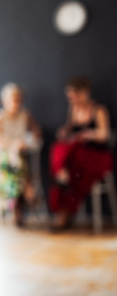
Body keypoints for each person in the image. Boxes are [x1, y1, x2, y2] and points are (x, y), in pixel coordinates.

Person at [48, 76, 113, 231]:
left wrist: (85, 135)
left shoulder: (99, 110)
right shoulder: (73, 109)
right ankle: (62, 175)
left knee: (72, 155)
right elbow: (70, 128)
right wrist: (65, 131)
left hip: (96, 156)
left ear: (85, 93)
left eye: (75, 96)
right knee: (59, 146)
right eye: (70, 97)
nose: (72, 100)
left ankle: (62, 177)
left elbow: (104, 134)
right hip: (77, 155)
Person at [0, 83, 42, 226]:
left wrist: (29, 140)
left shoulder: (25, 115)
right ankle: (29, 191)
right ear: (4, 101)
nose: (16, 103)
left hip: (19, 159)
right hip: (3, 160)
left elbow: (37, 132)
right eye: (13, 100)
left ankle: (17, 212)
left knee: (18, 160)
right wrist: (15, 144)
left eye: (18, 100)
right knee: (14, 160)